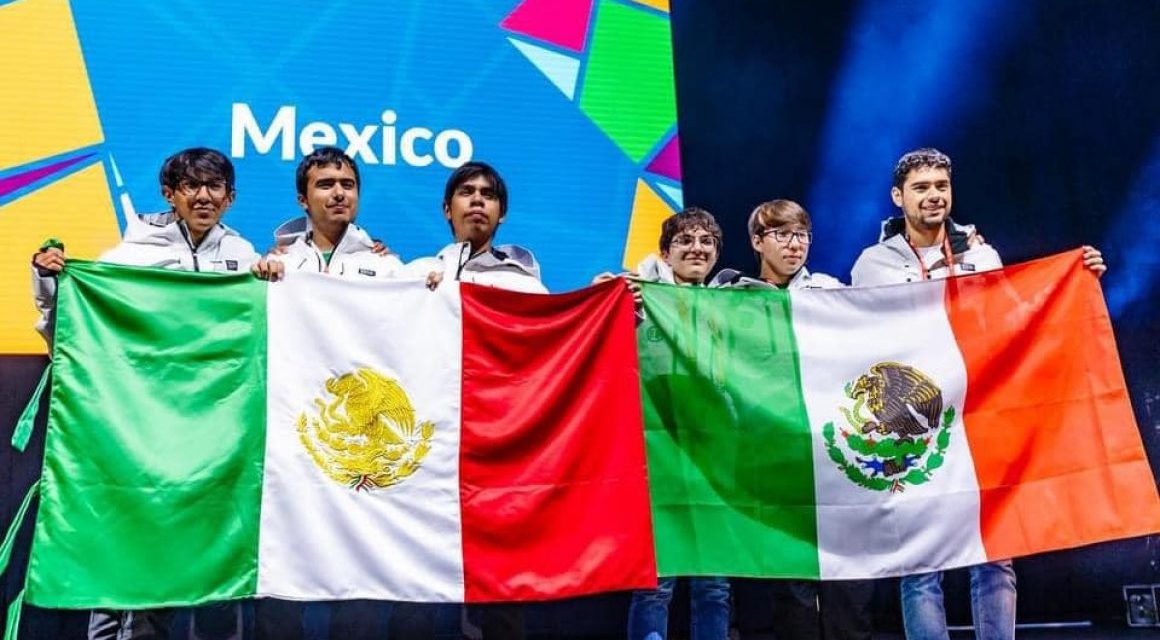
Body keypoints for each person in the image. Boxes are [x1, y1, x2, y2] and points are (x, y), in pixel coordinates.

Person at [849, 147, 1105, 640]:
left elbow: (1014, 318)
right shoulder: (872, 265)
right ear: (898, 197)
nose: (934, 197)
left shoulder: (980, 255)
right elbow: (863, 341)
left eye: (941, 186)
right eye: (922, 188)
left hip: (979, 413)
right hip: (914, 422)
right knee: (922, 564)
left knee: (995, 553)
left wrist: (1079, 275)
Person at [31, 147, 259, 640]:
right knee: (129, 546)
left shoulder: (246, 259)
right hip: (139, 426)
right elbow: (77, 326)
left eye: (214, 186)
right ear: (169, 195)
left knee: (189, 560)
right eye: (191, 186)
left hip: (212, 436)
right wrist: (50, 280)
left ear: (231, 197)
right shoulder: (134, 254)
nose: (203, 196)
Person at [712, 200, 873, 640]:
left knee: (849, 578)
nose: (794, 244)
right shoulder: (731, 298)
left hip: (834, 452)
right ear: (757, 242)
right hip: (770, 452)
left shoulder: (829, 291)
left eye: (801, 234)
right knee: (790, 584)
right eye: (781, 234)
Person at [411, 161, 545, 640]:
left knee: (501, 586)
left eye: (488, 194)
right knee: (417, 582)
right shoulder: (417, 273)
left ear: (501, 213)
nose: (477, 201)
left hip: (499, 448)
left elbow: (555, 344)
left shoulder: (526, 282)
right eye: (466, 192)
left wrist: (605, 304)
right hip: (430, 449)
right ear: (448, 209)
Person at [604, 207, 733, 640]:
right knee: (657, 583)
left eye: (706, 242)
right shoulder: (640, 297)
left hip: (713, 455)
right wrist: (608, 294)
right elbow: (599, 304)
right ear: (665, 251)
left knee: (714, 585)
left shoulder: (732, 305)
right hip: (657, 455)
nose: (696, 249)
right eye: (686, 241)